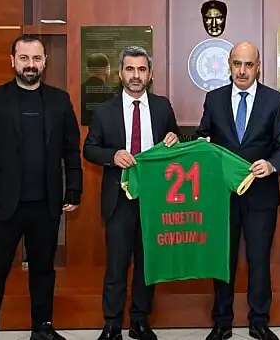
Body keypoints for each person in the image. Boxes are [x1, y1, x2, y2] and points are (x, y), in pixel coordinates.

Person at [0, 34, 83, 340]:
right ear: (13, 61)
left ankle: (42, 328)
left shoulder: (59, 100)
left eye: (37, 58)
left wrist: (74, 188)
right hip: (1, 205)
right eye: (24, 58)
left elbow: (71, 149)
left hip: (45, 205)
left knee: (43, 271)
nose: (31, 65)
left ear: (45, 62)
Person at [194, 42, 280, 340]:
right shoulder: (214, 99)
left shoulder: (274, 100)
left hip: (261, 195)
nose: (242, 70)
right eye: (237, 64)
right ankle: (221, 322)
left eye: (248, 65)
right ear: (229, 64)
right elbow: (203, 135)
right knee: (222, 260)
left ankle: (259, 321)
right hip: (222, 196)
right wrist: (200, 143)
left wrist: (272, 165)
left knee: (259, 260)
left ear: (258, 67)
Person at [82, 46, 181, 340]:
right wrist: (112, 156)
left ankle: (140, 320)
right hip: (119, 199)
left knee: (147, 265)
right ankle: (112, 324)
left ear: (150, 75)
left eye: (141, 69)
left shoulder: (162, 107)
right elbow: (89, 148)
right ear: (119, 74)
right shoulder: (105, 111)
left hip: (155, 199)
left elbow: (174, 140)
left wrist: (175, 139)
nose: (135, 75)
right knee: (117, 265)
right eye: (130, 69)